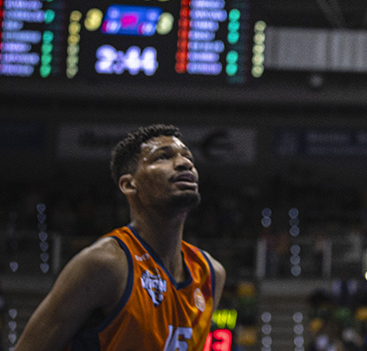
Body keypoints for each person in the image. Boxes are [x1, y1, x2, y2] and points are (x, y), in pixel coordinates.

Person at [16, 124, 225, 351]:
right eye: (163, 157)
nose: (185, 163)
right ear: (128, 184)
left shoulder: (211, 274)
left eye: (188, 157)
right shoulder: (105, 264)